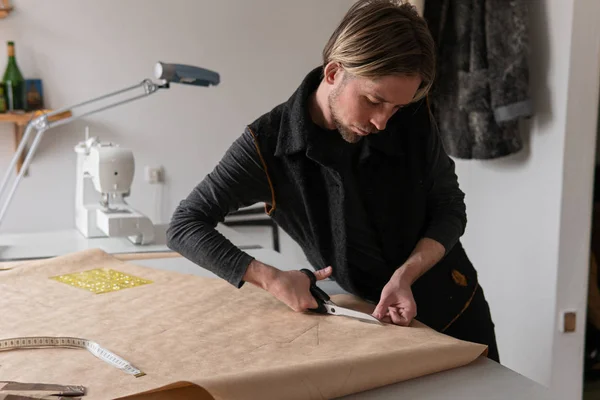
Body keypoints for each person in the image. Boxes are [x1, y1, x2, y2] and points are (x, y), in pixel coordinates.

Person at [166, 0, 500, 362]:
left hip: (455, 308)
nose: (382, 122)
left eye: (396, 108)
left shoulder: (411, 115)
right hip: (365, 322)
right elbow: (185, 225)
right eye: (373, 101)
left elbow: (450, 206)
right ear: (333, 73)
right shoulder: (267, 144)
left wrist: (406, 275)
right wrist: (272, 279)